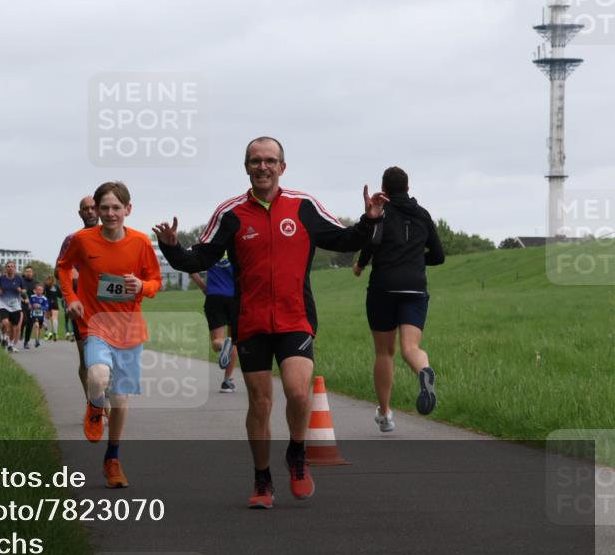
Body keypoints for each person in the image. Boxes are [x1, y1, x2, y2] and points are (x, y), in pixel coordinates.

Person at [154, 136, 386, 509]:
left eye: (270, 160)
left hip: (296, 317)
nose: (263, 167)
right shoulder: (230, 214)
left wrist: (370, 219)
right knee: (260, 404)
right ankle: (262, 479)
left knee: (297, 392)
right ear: (246, 167)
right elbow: (198, 259)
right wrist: (171, 247)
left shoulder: (303, 206)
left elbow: (345, 240)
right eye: (256, 161)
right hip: (251, 321)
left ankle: (296, 452)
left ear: (282, 166)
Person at [58, 182, 161, 489]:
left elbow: (155, 281)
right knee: (98, 376)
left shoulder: (141, 242)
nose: (110, 213)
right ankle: (94, 404)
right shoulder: (82, 240)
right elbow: (63, 268)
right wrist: (72, 299)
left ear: (128, 209)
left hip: (129, 327)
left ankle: (112, 458)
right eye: (104, 208)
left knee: (120, 397)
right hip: (94, 324)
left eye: (116, 208)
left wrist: (142, 287)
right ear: (96, 211)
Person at [354, 166, 444, 431]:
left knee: (384, 352)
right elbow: (438, 256)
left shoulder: (381, 213)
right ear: (408, 187)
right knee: (410, 349)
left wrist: (361, 264)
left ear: (385, 188)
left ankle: (384, 414)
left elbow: (371, 242)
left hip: (384, 286)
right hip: (415, 287)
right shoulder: (423, 214)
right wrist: (415, 260)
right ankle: (423, 371)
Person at [56, 195, 99, 396]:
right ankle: (93, 402)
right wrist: (75, 276)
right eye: (85, 209)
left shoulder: (112, 237)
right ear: (80, 213)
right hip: (82, 308)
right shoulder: (72, 240)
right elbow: (61, 269)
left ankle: (104, 396)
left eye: (93, 207)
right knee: (87, 359)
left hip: (109, 307)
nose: (90, 211)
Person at [189, 254, 239, 393]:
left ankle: (222, 345)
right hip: (236, 297)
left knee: (217, 341)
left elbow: (190, 267)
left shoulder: (210, 247)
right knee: (234, 341)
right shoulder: (235, 245)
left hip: (214, 297)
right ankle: (227, 381)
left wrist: (203, 287)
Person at [0, 261, 25, 352]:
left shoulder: (18, 279)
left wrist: (21, 290)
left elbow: (24, 290)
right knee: (5, 322)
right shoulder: (1, 278)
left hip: (15, 305)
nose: (10, 268)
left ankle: (10, 344)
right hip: (3, 304)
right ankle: (4, 336)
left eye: (12, 266)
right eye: (8, 266)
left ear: (14, 268)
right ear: (6, 268)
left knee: (13, 327)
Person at [20, 266, 38, 350]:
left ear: (32, 273)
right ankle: (20, 332)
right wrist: (23, 300)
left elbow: (39, 294)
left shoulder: (35, 283)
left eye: (30, 271)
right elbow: (18, 293)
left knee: (30, 324)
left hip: (32, 306)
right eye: (27, 271)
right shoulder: (21, 281)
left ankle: (26, 342)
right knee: (24, 320)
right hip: (22, 304)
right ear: (24, 273)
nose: (28, 273)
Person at [42, 275, 62, 341]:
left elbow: (42, 293)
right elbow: (60, 295)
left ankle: (48, 333)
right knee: (55, 318)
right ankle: (55, 333)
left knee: (47, 318)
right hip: (55, 303)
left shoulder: (46, 285)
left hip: (48, 302)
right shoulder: (56, 286)